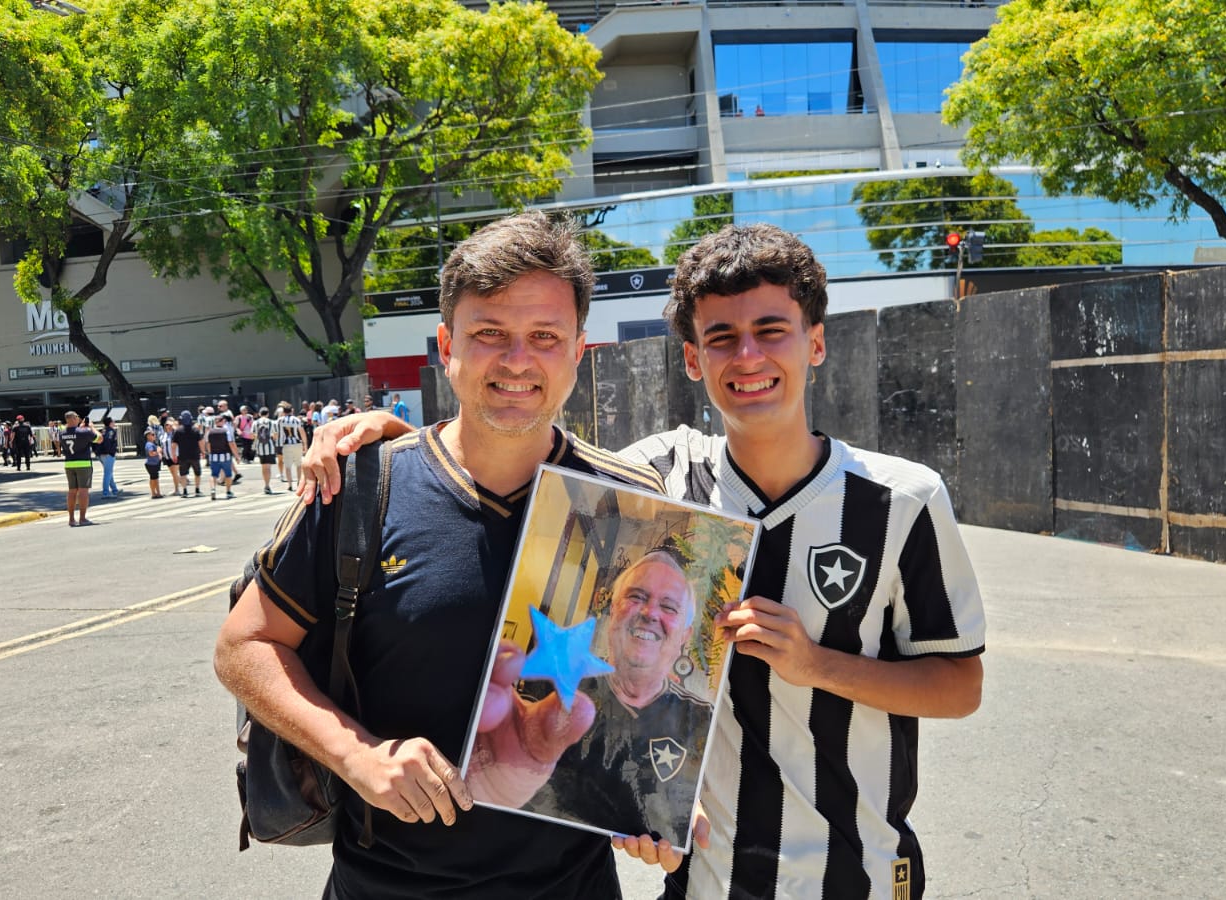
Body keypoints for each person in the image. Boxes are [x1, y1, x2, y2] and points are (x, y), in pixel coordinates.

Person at [301, 223, 988, 898]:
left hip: (854, 872)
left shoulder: (902, 498)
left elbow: (961, 685)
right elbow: (520, 446)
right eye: (720, 337)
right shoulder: (656, 479)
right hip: (703, 877)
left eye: (772, 329)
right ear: (692, 359)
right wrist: (392, 440)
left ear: (815, 343)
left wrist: (817, 666)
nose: (747, 356)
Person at [214, 211, 670, 900]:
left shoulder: (631, 503)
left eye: (544, 337)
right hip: (385, 885)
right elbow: (242, 646)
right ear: (446, 344)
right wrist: (356, 755)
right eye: (490, 334)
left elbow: (650, 691)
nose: (517, 360)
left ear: (579, 351)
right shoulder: (361, 485)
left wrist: (656, 807)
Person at [469, 547, 713, 845]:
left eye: (669, 607)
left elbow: (690, 805)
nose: (650, 613)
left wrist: (687, 808)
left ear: (685, 636)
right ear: (613, 611)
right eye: (636, 597)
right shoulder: (552, 688)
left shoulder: (700, 720)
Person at [59, 410, 99, 526]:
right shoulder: (85, 432)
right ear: (73, 418)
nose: (79, 418)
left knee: (72, 491)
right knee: (83, 491)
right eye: (77, 416)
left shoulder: (62, 433)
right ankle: (82, 518)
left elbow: (73, 434)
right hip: (83, 463)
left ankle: (71, 519)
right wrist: (92, 427)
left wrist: (81, 428)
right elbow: (99, 438)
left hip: (69, 464)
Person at [205, 409, 239, 500]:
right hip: (225, 456)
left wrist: (209, 453)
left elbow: (208, 444)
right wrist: (236, 456)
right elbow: (231, 444)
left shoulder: (210, 432)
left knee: (214, 474)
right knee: (228, 474)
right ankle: (228, 491)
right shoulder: (226, 432)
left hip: (214, 456)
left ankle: (213, 489)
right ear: (222, 421)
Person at [172, 410, 203, 497]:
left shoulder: (178, 431)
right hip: (195, 455)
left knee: (183, 474)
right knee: (197, 473)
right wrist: (203, 452)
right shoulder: (195, 430)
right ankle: (197, 490)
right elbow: (200, 442)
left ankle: (185, 491)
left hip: (183, 456)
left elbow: (174, 444)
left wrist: (174, 454)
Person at [275, 403, 306, 486]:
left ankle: (290, 484)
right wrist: (305, 444)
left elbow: (276, 433)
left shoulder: (280, 420)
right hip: (297, 443)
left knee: (287, 465)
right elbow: (302, 432)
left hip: (286, 444)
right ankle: (299, 481)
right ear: (291, 411)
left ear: (284, 412)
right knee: (298, 464)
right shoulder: (297, 420)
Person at [251, 406, 279, 494]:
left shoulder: (256, 423)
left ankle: (265, 484)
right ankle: (267, 485)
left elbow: (253, 435)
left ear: (259, 414)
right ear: (268, 414)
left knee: (264, 467)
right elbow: (275, 435)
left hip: (260, 447)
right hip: (269, 447)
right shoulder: (272, 422)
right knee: (268, 467)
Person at [96, 415, 121, 498]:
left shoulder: (102, 430)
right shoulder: (111, 431)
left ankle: (114, 489)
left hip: (101, 454)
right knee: (108, 473)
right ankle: (105, 492)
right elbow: (108, 441)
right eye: (113, 421)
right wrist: (107, 451)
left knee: (109, 473)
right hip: (108, 454)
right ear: (110, 423)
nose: (114, 422)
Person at [143, 427, 165, 499]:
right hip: (151, 464)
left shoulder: (152, 444)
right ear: (148, 436)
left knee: (155, 478)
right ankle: (154, 493)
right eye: (152, 434)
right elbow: (151, 453)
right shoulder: (149, 444)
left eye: (154, 434)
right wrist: (158, 451)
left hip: (154, 463)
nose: (154, 436)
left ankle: (157, 492)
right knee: (153, 478)